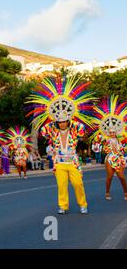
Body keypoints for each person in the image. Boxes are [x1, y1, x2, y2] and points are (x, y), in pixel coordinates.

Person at [28, 75, 92, 214]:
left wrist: (70, 114)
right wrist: (53, 117)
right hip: (60, 162)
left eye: (64, 121)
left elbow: (82, 128)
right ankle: (63, 206)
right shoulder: (52, 130)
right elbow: (43, 131)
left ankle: (83, 204)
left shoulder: (74, 129)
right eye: (60, 121)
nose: (62, 123)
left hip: (73, 161)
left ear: (68, 120)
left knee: (78, 183)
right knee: (61, 186)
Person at [91, 96, 127, 201]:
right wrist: (96, 142)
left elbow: (124, 149)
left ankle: (125, 192)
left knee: (121, 177)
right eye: (110, 132)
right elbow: (96, 141)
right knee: (109, 177)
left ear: (116, 132)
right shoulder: (106, 139)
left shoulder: (121, 140)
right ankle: (107, 193)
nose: (112, 133)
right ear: (108, 132)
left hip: (119, 158)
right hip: (110, 159)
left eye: (113, 132)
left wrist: (123, 151)